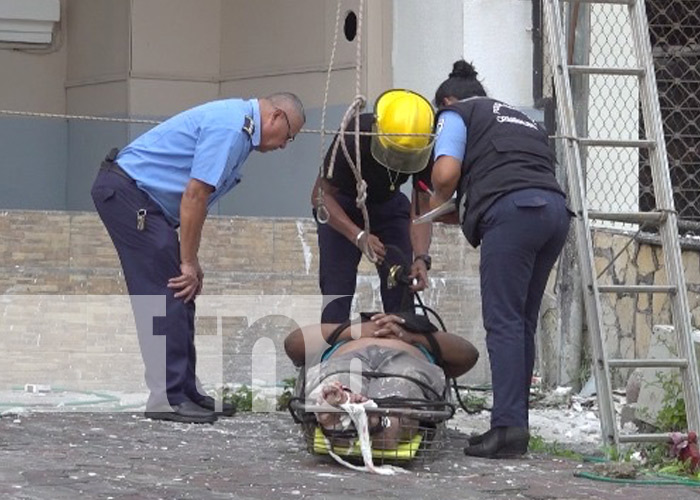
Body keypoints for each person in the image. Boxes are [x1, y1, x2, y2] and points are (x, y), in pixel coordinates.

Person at [91, 93, 305, 424]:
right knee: (169, 291)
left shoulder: (239, 129)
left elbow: (193, 199)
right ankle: (169, 397)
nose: (285, 146)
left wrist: (190, 259)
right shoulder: (232, 129)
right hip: (130, 194)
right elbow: (195, 196)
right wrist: (187, 262)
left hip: (144, 201)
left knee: (182, 290)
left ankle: (186, 391)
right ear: (276, 117)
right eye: (289, 136)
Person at [429, 61, 571, 458]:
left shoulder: (455, 113)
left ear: (446, 100)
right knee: (521, 322)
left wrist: (439, 198)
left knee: (503, 320)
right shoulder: (520, 118)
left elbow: (443, 176)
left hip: (513, 214)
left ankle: (506, 430)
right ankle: (515, 427)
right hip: (554, 213)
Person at [312, 89, 436, 324]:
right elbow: (319, 197)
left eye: (406, 156)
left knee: (401, 284)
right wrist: (358, 235)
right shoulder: (353, 135)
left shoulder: (421, 143)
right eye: (396, 152)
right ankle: (332, 347)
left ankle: (403, 342)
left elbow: (420, 206)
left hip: (389, 206)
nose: (400, 161)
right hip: (344, 206)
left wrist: (421, 258)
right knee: (337, 287)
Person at [284, 311, 478, 449]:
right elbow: (293, 343)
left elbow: (469, 355)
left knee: (401, 392)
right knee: (338, 384)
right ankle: (347, 412)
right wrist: (356, 330)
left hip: (405, 362)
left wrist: (414, 336)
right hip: (348, 358)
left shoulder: (420, 337)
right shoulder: (348, 332)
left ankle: (375, 423)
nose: (384, 324)